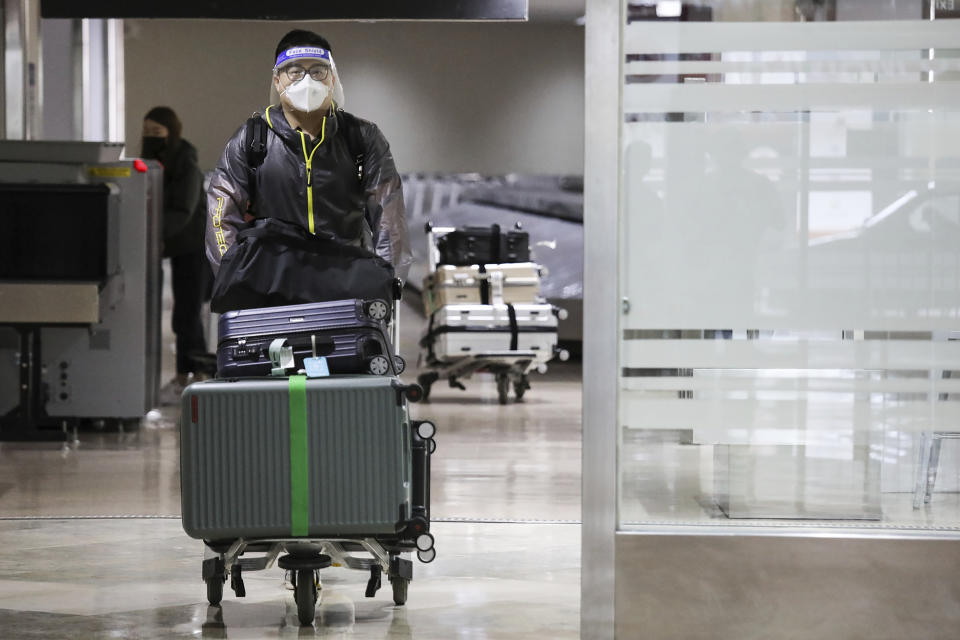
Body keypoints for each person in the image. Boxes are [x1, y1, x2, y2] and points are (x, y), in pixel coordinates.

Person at [205, 29, 412, 299]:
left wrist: (389, 279)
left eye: (318, 71)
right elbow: (221, 212)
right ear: (277, 81)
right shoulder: (253, 139)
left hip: (346, 279)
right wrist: (236, 277)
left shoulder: (360, 137)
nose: (307, 80)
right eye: (294, 71)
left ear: (332, 78)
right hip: (273, 283)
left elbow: (388, 211)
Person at [141, 106, 209, 401]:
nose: (150, 138)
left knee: (187, 313)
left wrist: (154, 235)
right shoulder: (155, 163)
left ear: (171, 132)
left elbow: (183, 209)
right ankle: (187, 374)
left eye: (157, 133)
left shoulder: (186, 163)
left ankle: (194, 374)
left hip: (194, 246)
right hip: (175, 245)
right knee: (184, 314)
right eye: (146, 133)